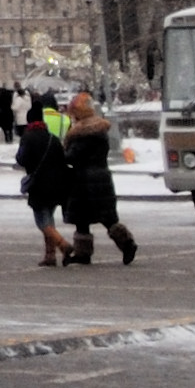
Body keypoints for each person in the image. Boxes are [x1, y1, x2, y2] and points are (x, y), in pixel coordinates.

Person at [60, 90, 136, 266]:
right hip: (99, 177)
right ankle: (123, 244)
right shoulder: (98, 129)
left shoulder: (83, 133)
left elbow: (73, 156)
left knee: (87, 218)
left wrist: (61, 154)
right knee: (100, 216)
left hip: (86, 180)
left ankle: (121, 246)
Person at [15, 98, 70, 269]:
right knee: (49, 219)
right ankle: (50, 255)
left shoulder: (28, 138)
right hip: (56, 185)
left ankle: (63, 245)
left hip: (38, 185)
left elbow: (21, 159)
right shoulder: (52, 138)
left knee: (42, 222)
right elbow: (63, 159)